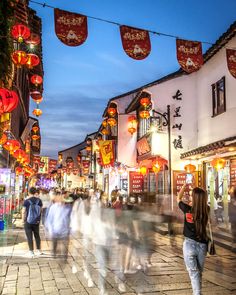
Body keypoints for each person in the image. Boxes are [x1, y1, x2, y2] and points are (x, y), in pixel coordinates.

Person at [177, 184, 209, 295]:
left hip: (189, 245)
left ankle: (197, 293)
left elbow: (178, 198)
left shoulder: (187, 209)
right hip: (203, 245)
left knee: (194, 273)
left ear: (194, 198)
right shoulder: (206, 210)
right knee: (198, 272)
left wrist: (184, 187)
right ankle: (198, 292)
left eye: (192, 196)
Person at [22, 187, 43, 258]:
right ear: (35, 192)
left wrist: (23, 221)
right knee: (37, 235)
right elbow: (41, 210)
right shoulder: (39, 201)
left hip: (28, 221)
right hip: (36, 221)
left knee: (29, 236)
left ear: (29, 192)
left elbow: (23, 211)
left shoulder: (26, 201)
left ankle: (31, 251)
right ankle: (39, 250)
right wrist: (38, 219)